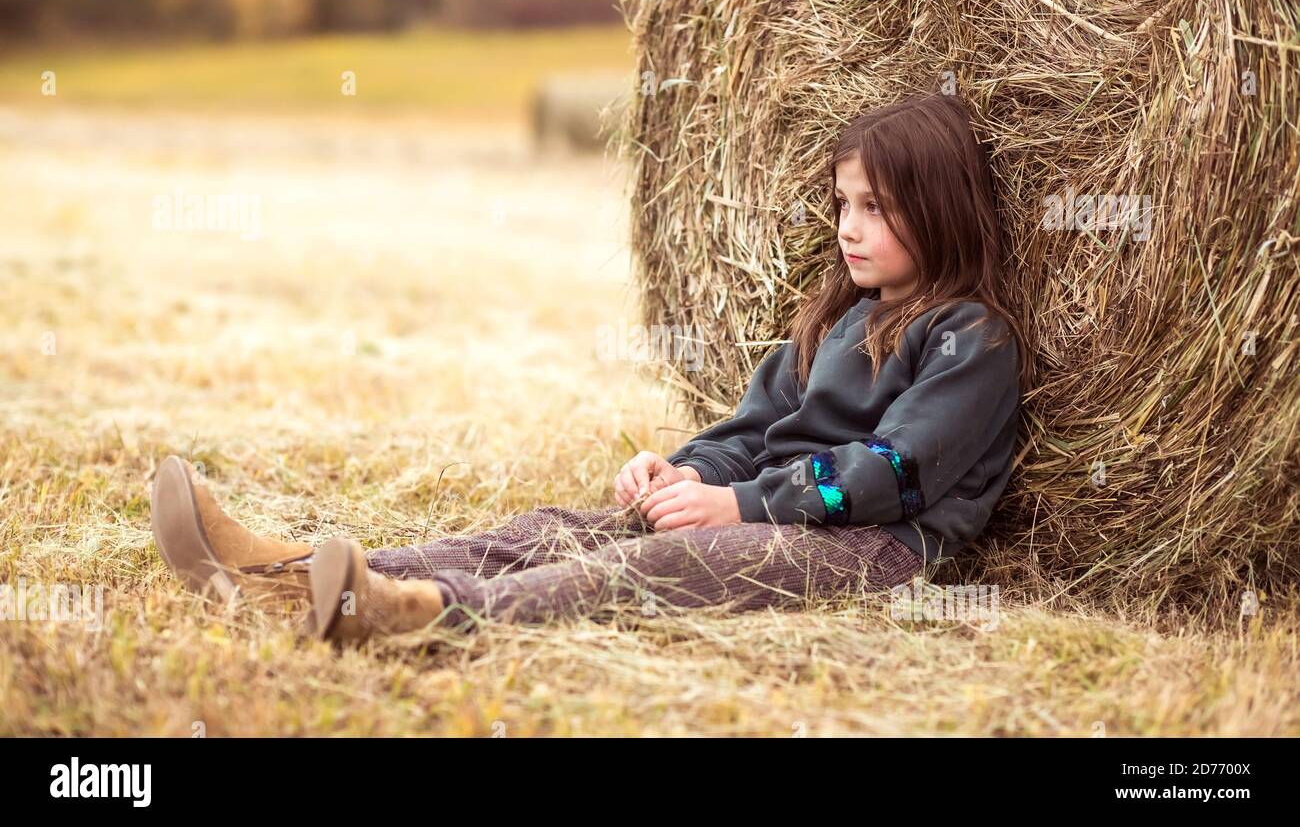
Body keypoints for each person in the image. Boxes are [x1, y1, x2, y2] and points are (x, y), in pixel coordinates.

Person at [149, 92, 1031, 644]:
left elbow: (896, 472)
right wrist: (685, 473)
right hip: (764, 508)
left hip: (872, 550)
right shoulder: (837, 318)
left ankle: (424, 615)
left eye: (875, 208)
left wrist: (740, 505)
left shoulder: (972, 341)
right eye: (842, 203)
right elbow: (753, 430)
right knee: (552, 529)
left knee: (652, 571)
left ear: (941, 211)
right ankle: (287, 576)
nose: (847, 226)